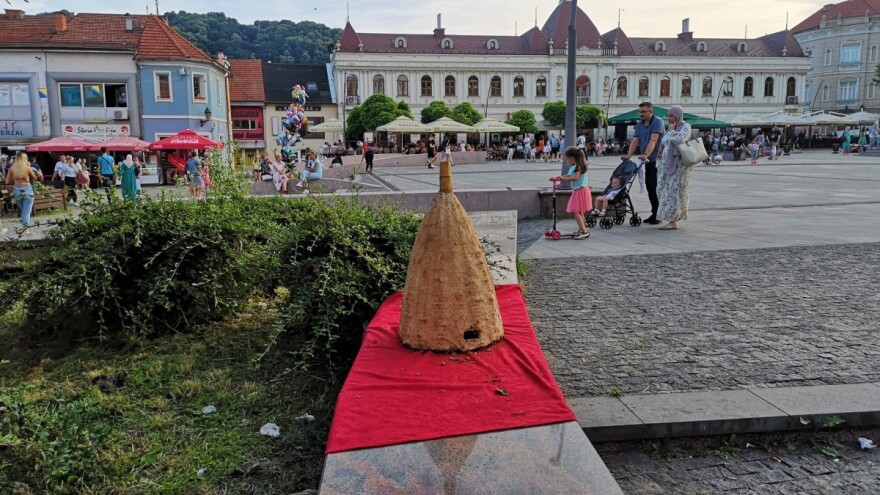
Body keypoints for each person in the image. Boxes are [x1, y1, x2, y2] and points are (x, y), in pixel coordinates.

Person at [622, 101, 664, 224]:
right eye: (640, 112)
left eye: (644, 111)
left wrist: (646, 154)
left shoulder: (657, 122)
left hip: (657, 159)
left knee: (654, 186)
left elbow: (654, 140)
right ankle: (655, 213)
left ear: (651, 111)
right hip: (647, 161)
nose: (641, 114)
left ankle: (658, 214)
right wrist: (629, 155)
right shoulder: (640, 124)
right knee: (650, 187)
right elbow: (635, 140)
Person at [655, 105, 694, 231]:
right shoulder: (670, 129)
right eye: (668, 116)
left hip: (679, 166)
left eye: (672, 116)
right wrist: (659, 161)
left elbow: (681, 139)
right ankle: (669, 216)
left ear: (678, 115)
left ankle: (673, 220)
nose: (669, 118)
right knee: (661, 190)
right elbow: (664, 143)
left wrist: (672, 132)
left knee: (674, 191)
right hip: (666, 165)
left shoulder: (685, 127)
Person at [549, 147, 592, 239]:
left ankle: (584, 231)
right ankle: (583, 228)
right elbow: (569, 175)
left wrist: (562, 178)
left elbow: (575, 178)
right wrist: (558, 178)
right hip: (579, 191)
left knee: (576, 212)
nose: (566, 161)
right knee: (579, 211)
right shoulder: (574, 167)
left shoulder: (579, 167)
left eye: (567, 159)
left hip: (580, 191)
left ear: (572, 158)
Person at [5, 152, 37, 235]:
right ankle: (25, 230)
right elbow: (35, 177)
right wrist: (30, 167)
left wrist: (15, 176)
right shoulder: (27, 167)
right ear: (24, 159)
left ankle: (24, 229)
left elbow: (7, 181)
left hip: (17, 191)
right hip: (27, 190)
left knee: (23, 211)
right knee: (26, 212)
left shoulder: (12, 168)